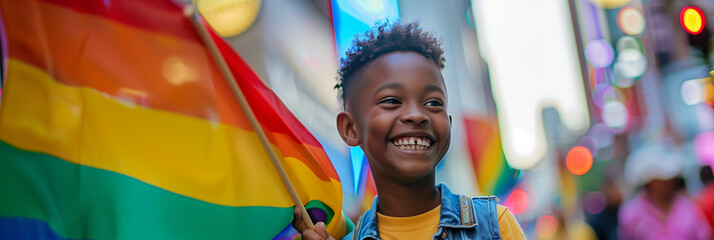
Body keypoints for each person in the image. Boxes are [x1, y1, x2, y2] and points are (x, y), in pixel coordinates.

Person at [292, 21, 525, 240]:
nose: (417, 115)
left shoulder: (493, 225)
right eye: (392, 100)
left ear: (449, 124)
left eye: (433, 103)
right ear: (350, 128)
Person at [618, 144, 713, 240]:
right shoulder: (632, 213)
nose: (666, 183)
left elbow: (705, 235)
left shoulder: (688, 207)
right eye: (660, 179)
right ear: (649, 182)